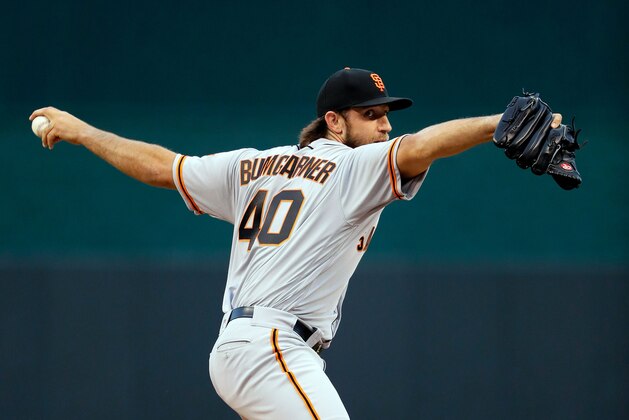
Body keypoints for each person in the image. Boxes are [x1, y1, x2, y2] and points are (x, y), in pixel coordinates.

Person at [30, 68, 562, 419]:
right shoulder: (352, 166)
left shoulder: (252, 165)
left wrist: (82, 131)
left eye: (386, 114)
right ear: (334, 121)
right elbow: (421, 146)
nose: (385, 126)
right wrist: (497, 123)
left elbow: (161, 167)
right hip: (270, 348)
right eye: (371, 115)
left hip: (247, 347)